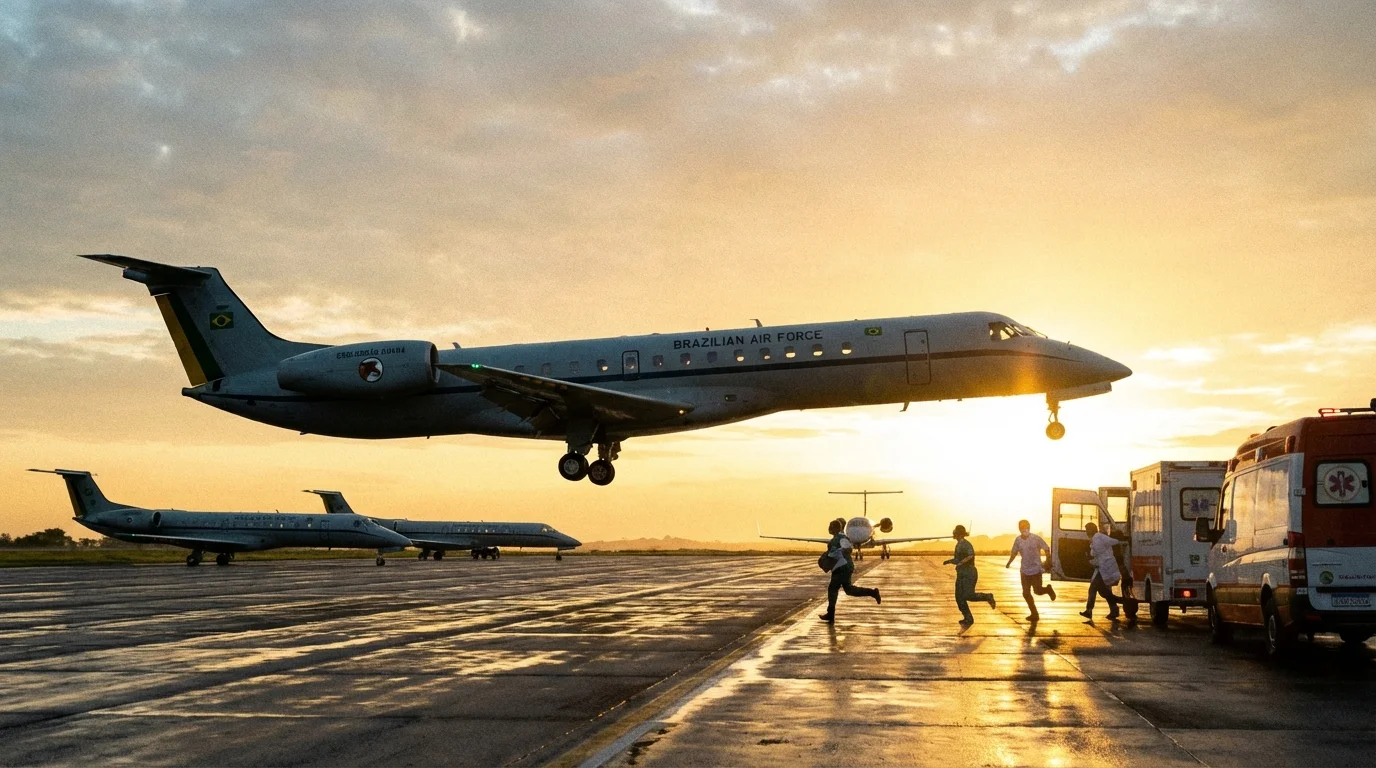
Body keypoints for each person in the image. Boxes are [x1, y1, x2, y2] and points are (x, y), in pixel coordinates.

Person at [819, 518, 881, 623]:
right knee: (849, 590)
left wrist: (833, 554)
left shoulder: (837, 539)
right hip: (845, 567)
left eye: (831, 527)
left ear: (834, 528)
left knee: (833, 589)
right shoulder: (842, 537)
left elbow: (846, 549)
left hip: (841, 567)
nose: (829, 529)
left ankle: (830, 614)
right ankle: (873, 593)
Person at [1005, 519, 1056, 621]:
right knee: (1026, 593)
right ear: (1019, 529)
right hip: (1024, 571)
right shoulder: (1018, 540)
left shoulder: (1036, 538)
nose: (1024, 528)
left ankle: (1048, 589)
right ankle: (1034, 614)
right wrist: (1009, 562)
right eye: (1022, 527)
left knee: (1037, 591)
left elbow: (1046, 548)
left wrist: (1048, 560)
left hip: (1036, 569)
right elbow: (1014, 552)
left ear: (1029, 527)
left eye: (1026, 526)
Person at [944, 524, 995, 625]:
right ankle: (968, 618)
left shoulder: (966, 544)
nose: (955, 535)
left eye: (957, 533)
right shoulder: (958, 545)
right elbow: (957, 559)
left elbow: (970, 555)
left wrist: (960, 563)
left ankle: (987, 596)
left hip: (969, 573)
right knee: (959, 597)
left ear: (960, 534)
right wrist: (949, 561)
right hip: (961, 574)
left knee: (968, 595)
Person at [1079, 522, 1120, 620]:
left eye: (1087, 530)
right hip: (1102, 568)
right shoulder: (1096, 538)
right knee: (1103, 591)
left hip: (1105, 567)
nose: (1086, 532)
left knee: (1093, 588)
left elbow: (1114, 542)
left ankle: (1089, 610)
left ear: (1092, 530)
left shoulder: (1098, 538)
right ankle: (1114, 609)